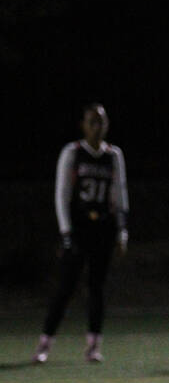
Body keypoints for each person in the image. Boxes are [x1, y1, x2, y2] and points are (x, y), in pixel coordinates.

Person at [33, 103, 129, 364]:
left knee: (97, 287)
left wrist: (122, 231)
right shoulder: (73, 152)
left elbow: (120, 194)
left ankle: (94, 346)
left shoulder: (114, 155)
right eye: (92, 122)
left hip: (103, 229)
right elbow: (61, 195)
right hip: (78, 229)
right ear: (83, 125)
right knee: (65, 287)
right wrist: (66, 232)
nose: (98, 127)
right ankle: (45, 343)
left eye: (102, 122)